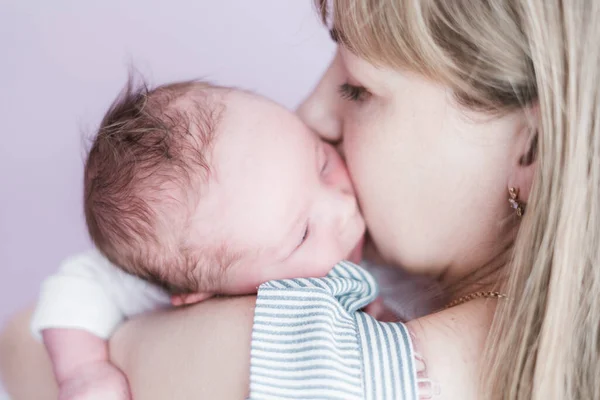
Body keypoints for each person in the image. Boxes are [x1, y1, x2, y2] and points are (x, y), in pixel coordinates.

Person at [2, 0, 599, 398]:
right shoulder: (393, 272)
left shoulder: (349, 367)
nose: (310, 113)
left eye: (358, 89)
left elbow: (21, 343)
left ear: (532, 147)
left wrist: (118, 352)